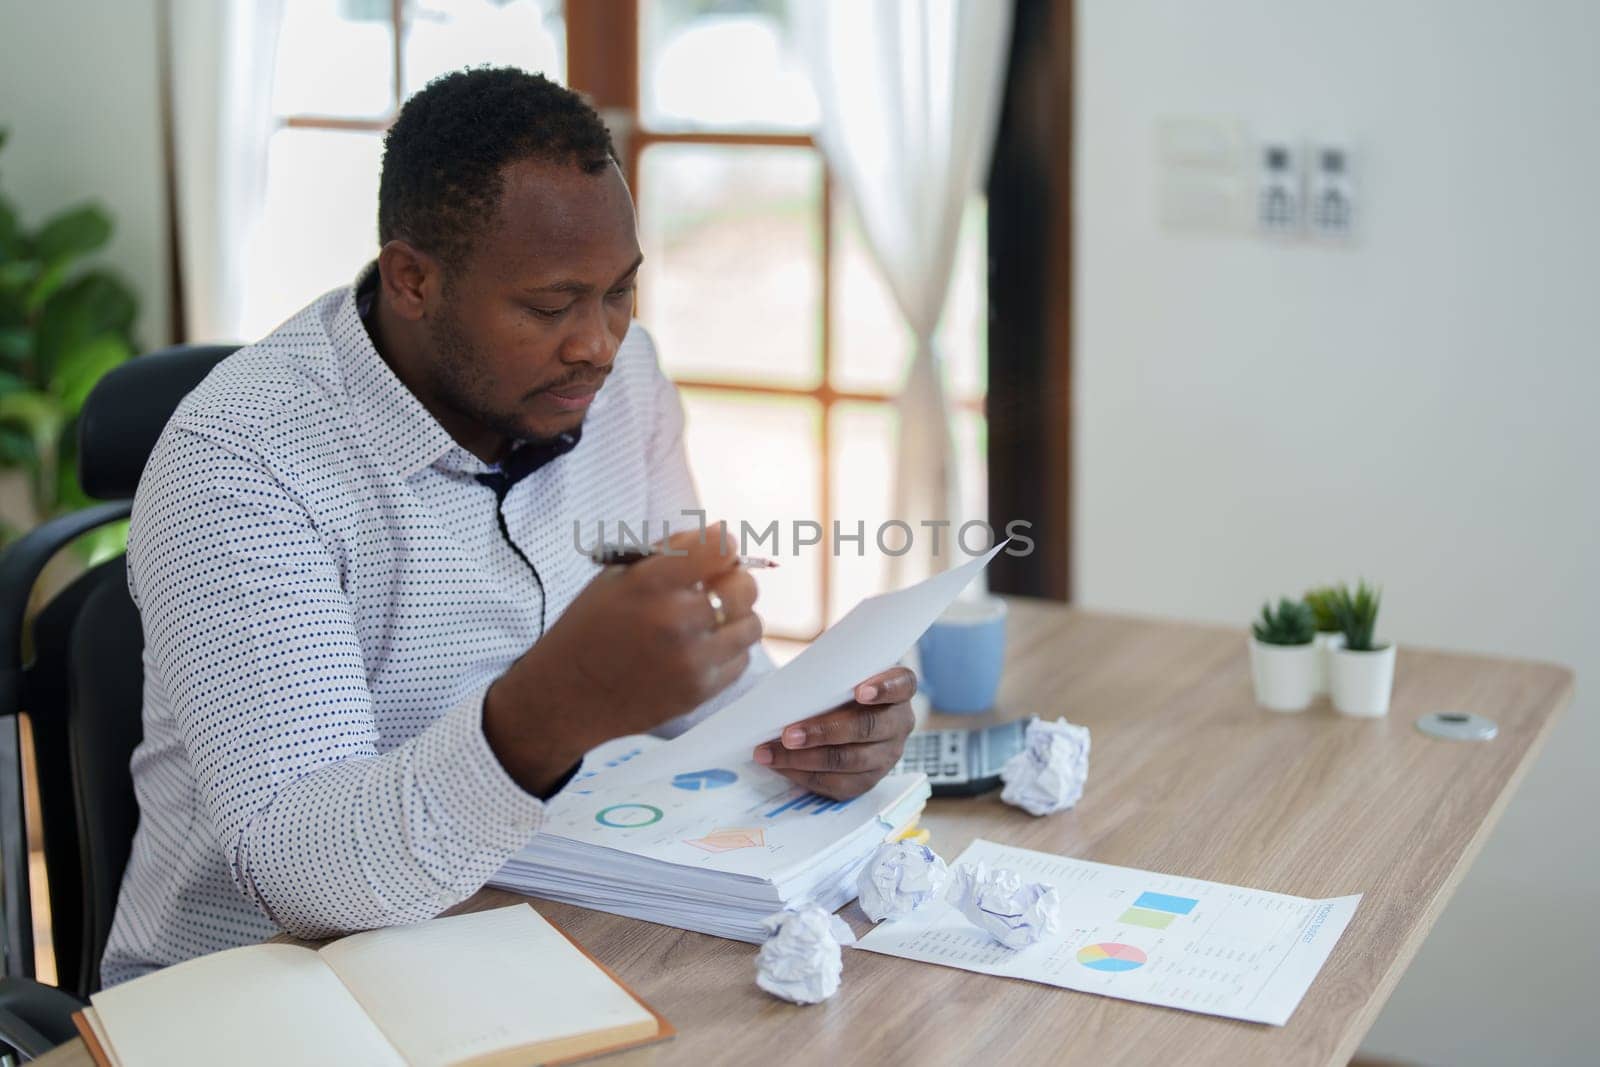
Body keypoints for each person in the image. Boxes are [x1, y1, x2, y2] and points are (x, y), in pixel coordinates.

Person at [102, 68, 916, 985]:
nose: (598, 343)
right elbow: (300, 874)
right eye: (549, 305)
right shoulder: (244, 462)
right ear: (413, 280)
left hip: (531, 929)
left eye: (620, 292)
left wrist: (805, 730)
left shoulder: (617, 380)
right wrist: (543, 714)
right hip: (258, 993)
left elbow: (691, 675)